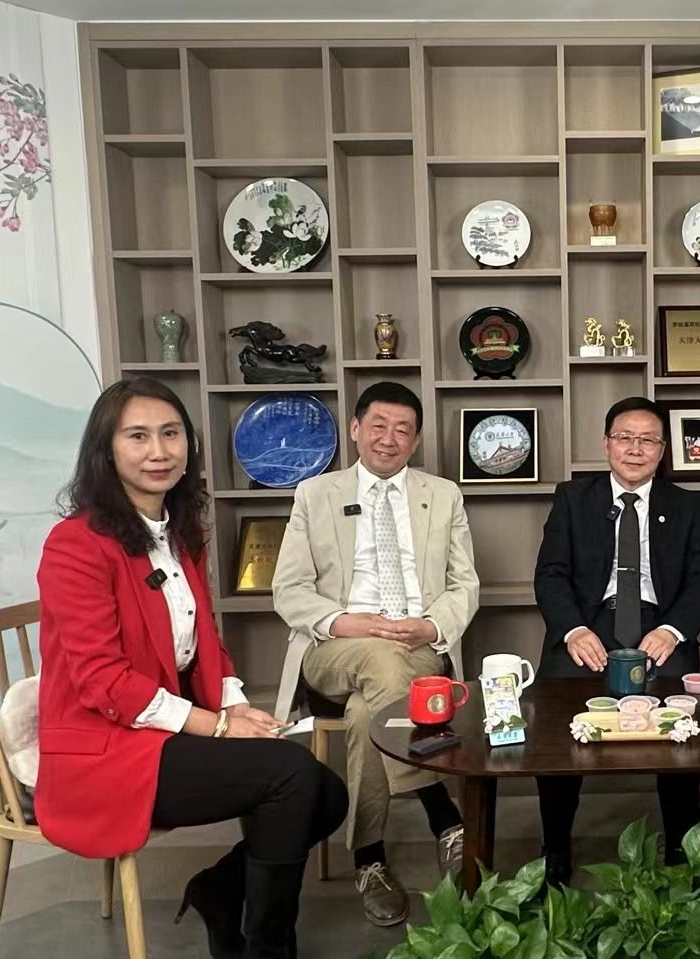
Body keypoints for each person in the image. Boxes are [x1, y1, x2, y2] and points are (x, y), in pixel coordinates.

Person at [35, 377, 348, 959]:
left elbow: (204, 642)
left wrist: (235, 706)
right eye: (138, 436)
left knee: (327, 794)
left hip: (159, 729)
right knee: (291, 778)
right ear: (106, 450)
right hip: (104, 751)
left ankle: (220, 892)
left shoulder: (179, 534)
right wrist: (220, 726)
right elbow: (103, 682)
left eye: (171, 433)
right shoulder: (74, 545)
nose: (159, 451)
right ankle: (267, 949)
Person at [272, 381, 479, 927]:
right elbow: (289, 589)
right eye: (379, 426)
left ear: (417, 440)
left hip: (416, 647)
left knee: (371, 708)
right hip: (335, 646)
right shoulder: (314, 494)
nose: (389, 439)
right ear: (355, 429)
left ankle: (368, 858)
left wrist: (429, 625)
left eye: (403, 430)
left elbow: (464, 586)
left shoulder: (443, 495)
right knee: (377, 661)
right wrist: (349, 622)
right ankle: (444, 815)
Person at [533, 396, 700, 886]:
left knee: (681, 729)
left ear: (662, 450)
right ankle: (555, 848)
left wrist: (672, 630)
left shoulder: (688, 505)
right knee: (556, 725)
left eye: (648, 440)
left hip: (660, 626)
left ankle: (682, 852)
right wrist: (573, 630)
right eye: (624, 438)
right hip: (589, 624)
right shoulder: (573, 499)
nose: (635, 449)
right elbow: (550, 574)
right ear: (606, 444)